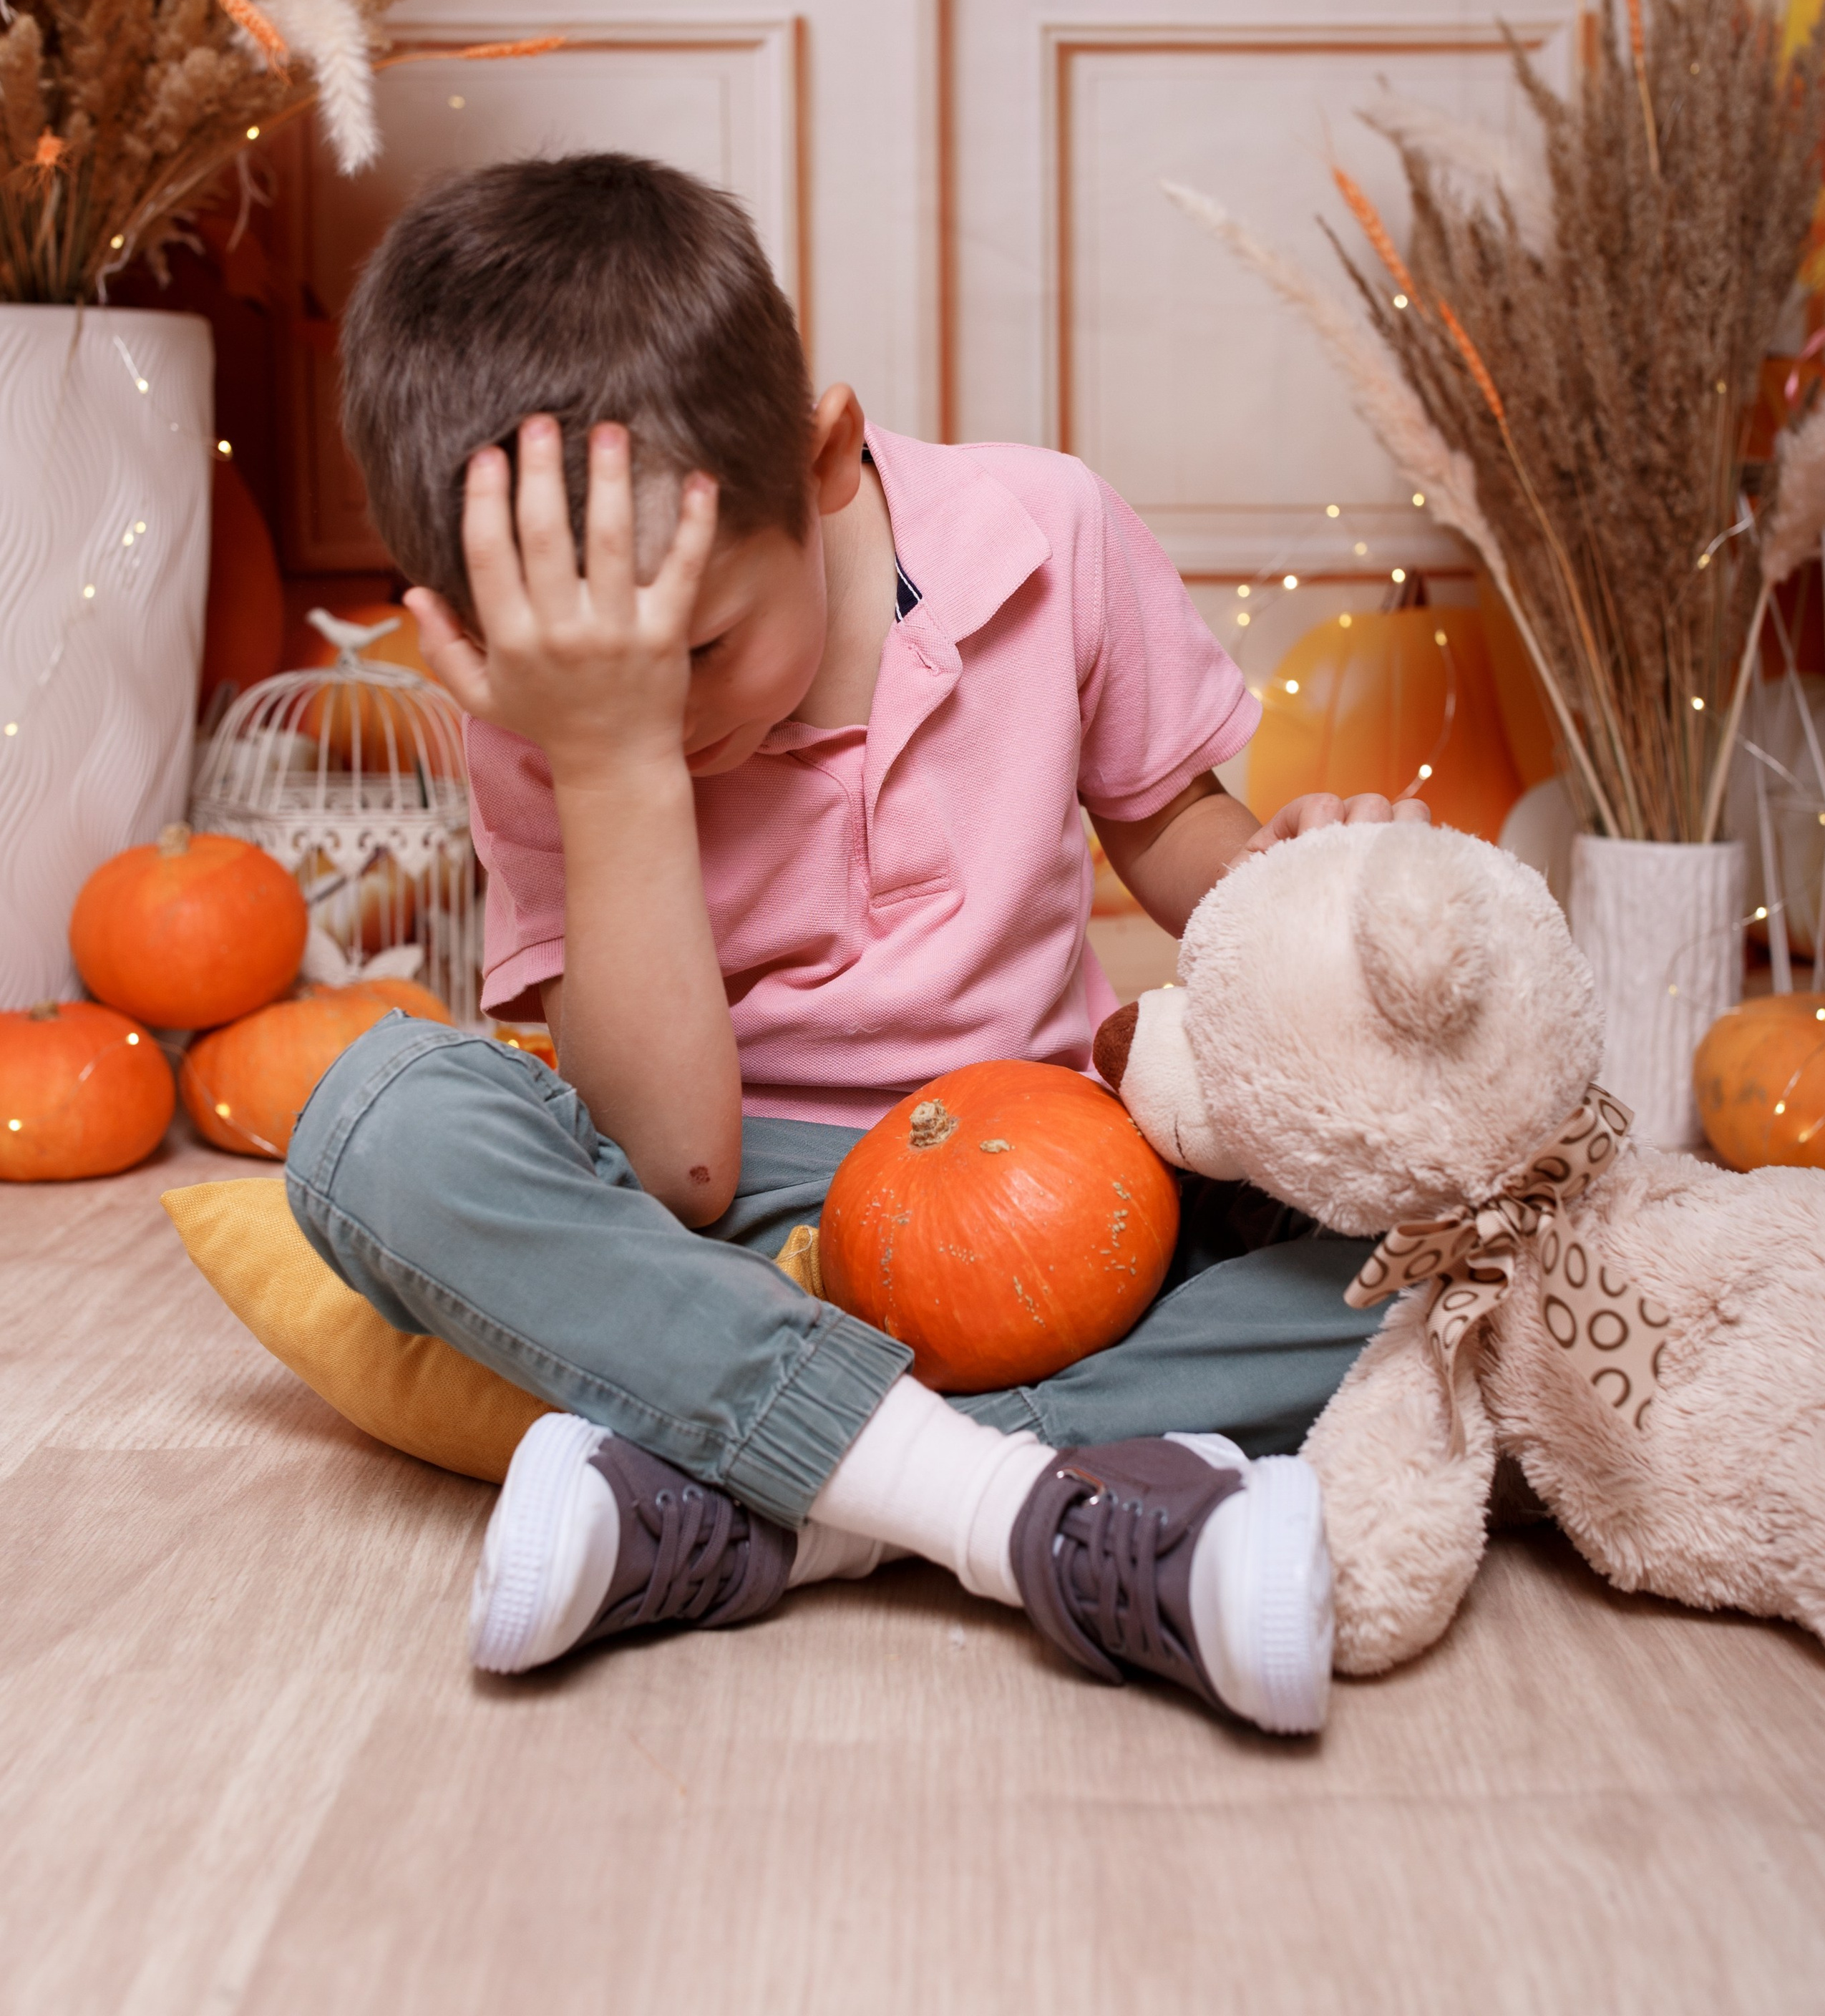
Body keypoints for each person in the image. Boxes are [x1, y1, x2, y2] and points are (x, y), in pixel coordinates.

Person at [293, 152, 1421, 1737]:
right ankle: (1040, 1508)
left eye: (693, 653)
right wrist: (597, 756)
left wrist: (1302, 896)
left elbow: (1179, 837)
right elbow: (676, 1166)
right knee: (373, 1126)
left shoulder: (1044, 530)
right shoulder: (565, 715)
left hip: (1065, 1200)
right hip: (736, 1236)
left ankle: (783, 1502)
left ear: (820, 461)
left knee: (1446, 1250)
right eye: (597, 686)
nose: (661, 719)